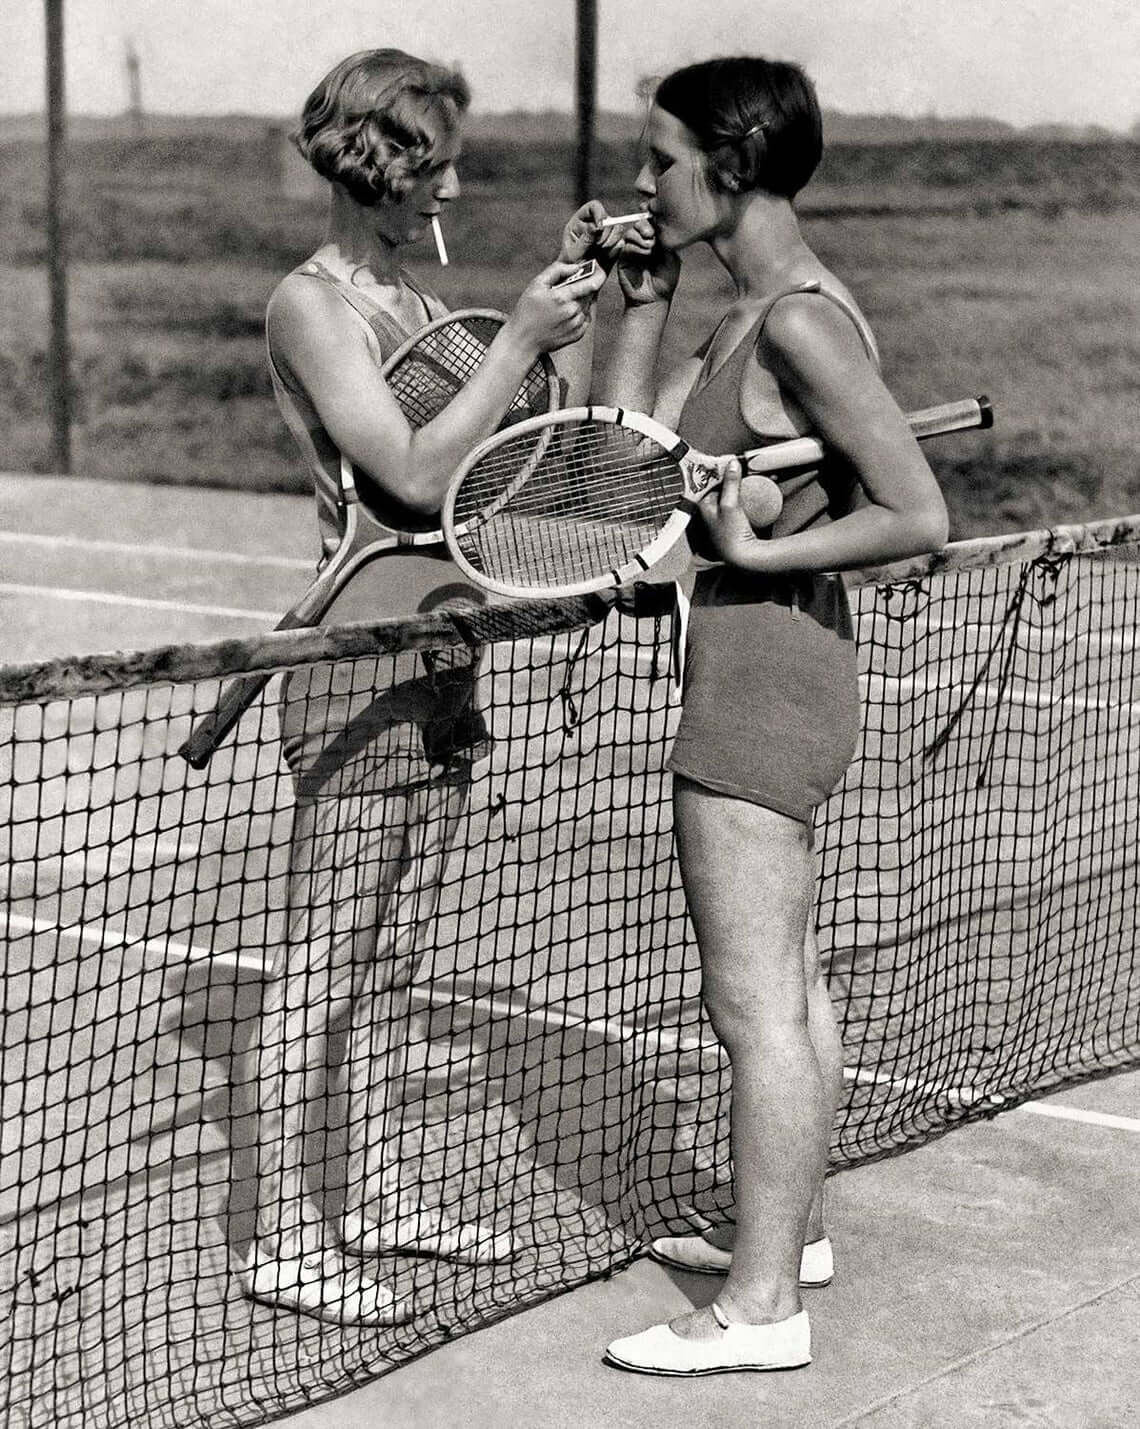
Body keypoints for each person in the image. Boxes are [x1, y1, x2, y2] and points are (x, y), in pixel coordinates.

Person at [233, 47, 610, 1328]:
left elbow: (507, 459)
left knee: (391, 961)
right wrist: (513, 335)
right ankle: (287, 1233)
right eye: (437, 157)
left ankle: (381, 1194)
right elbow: (401, 473)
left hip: (448, 651)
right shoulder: (313, 305)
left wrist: (557, 320)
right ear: (383, 166)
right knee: (323, 962)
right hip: (356, 668)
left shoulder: (401, 288)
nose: (456, 176)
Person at [591, 57, 949, 1374]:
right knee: (786, 986)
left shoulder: (800, 321)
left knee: (751, 1003)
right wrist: (644, 299)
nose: (642, 181)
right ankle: (787, 1237)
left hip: (764, 663)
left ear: (730, 166)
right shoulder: (760, 309)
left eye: (660, 158)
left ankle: (757, 1312)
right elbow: (624, 463)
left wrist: (747, 550)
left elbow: (915, 517)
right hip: (771, 653)